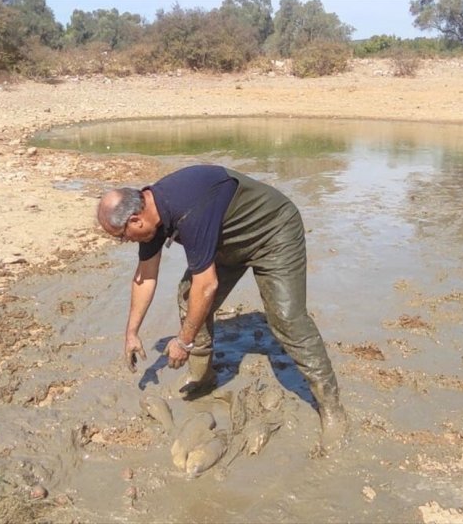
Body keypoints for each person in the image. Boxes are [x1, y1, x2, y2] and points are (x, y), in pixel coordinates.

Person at [97, 164, 347, 453]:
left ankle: (331, 407)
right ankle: (204, 376)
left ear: (136, 219)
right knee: (188, 295)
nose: (123, 241)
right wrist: (131, 332)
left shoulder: (188, 208)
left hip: (273, 233)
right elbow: (145, 276)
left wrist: (184, 341)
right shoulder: (150, 215)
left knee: (287, 319)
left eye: (121, 235)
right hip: (227, 242)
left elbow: (208, 286)